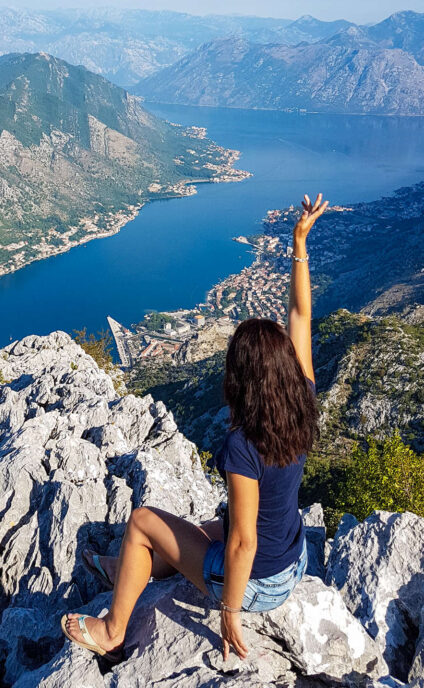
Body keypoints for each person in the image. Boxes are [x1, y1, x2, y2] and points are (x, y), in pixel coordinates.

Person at [62, 192, 328, 662]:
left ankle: (112, 629)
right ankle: (132, 566)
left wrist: (228, 612)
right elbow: (302, 316)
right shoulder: (302, 397)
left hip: (258, 586)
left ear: (241, 379)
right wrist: (299, 243)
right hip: (294, 559)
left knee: (143, 522)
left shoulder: (243, 445)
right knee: (209, 524)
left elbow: (244, 543)